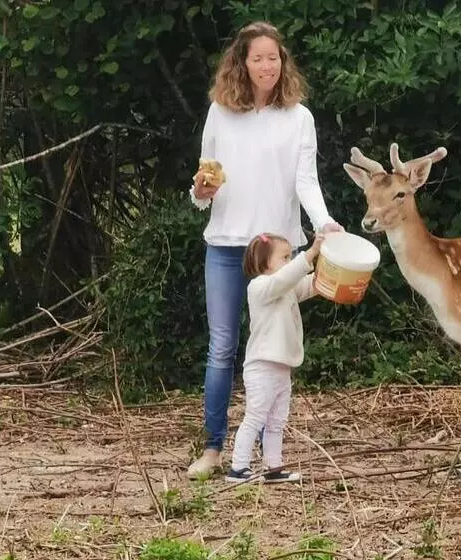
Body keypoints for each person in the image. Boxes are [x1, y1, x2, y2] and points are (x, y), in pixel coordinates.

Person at [187, 21, 343, 478]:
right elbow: (206, 178)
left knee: (273, 349)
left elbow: (306, 181)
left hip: (277, 252)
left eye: (273, 58)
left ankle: (266, 454)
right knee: (222, 348)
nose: (267, 66)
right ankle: (213, 449)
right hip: (226, 244)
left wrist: (324, 224)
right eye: (258, 58)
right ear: (242, 62)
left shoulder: (300, 117)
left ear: (282, 61)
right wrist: (200, 192)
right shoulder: (220, 111)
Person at [225, 231, 323, 483]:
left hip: (282, 368)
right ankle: (238, 467)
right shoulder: (260, 287)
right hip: (261, 367)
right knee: (255, 417)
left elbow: (310, 285)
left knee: (277, 420)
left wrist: (330, 269)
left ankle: (273, 467)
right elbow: (287, 278)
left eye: (291, 257)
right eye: (285, 257)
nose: (290, 261)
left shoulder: (285, 288)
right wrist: (310, 253)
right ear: (265, 262)